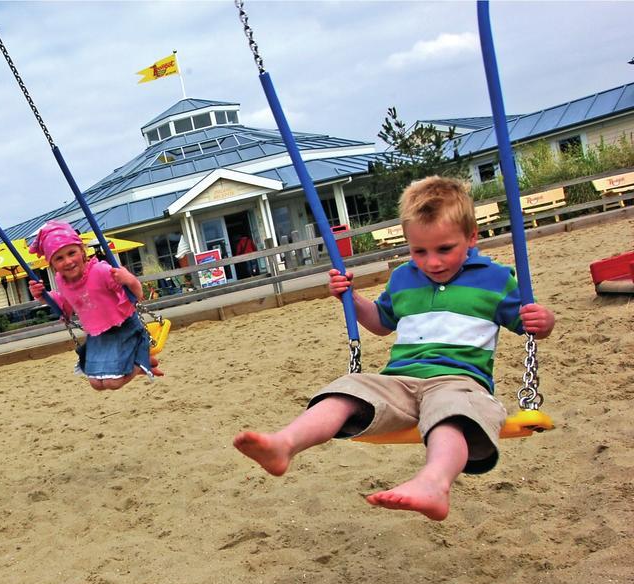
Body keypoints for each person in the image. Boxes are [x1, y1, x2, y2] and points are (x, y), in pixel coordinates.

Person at [233, 176, 556, 521]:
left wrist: (543, 321)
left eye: (444, 249)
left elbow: (530, 324)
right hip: (399, 382)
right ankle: (285, 444)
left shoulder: (495, 280)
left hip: (459, 381)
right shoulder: (403, 278)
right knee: (346, 389)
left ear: (471, 237)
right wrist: (352, 300)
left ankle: (434, 483)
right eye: (419, 251)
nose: (432, 262)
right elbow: (381, 323)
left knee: (451, 412)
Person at [28, 220, 162, 390]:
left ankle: (139, 363)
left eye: (71, 253)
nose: (68, 261)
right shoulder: (61, 281)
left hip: (124, 328)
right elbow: (65, 305)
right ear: (52, 264)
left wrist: (128, 279)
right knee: (96, 384)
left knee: (112, 383)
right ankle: (140, 362)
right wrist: (43, 296)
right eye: (59, 258)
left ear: (82, 252)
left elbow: (137, 295)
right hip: (98, 335)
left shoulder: (100, 271)